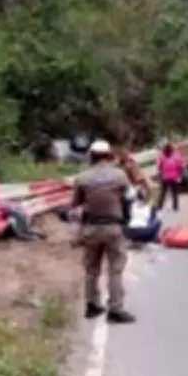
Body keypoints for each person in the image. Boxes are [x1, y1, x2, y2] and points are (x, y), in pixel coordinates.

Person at [71, 139, 136, 324]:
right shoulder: (119, 176)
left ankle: (92, 305)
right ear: (109, 155)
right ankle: (115, 309)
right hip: (113, 228)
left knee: (92, 270)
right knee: (115, 269)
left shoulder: (82, 178)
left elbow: (75, 204)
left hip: (91, 228)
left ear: (91, 156)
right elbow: (130, 196)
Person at [156, 141, 184, 211]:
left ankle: (160, 206)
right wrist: (179, 176)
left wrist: (160, 176)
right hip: (174, 177)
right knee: (174, 192)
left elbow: (159, 167)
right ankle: (175, 207)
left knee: (163, 192)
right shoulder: (176, 156)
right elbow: (180, 167)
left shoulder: (162, 156)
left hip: (166, 177)